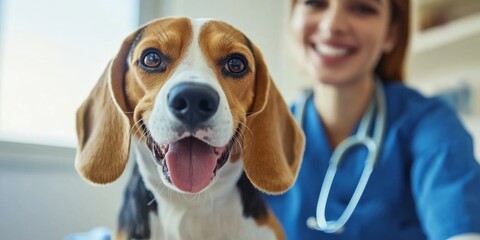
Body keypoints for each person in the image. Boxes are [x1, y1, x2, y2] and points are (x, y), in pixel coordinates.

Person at [264, 0, 480, 239]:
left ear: (392, 32)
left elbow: (459, 224)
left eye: (362, 8)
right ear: (293, 18)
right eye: (315, 3)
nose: (333, 24)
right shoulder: (258, 135)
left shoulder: (430, 125)